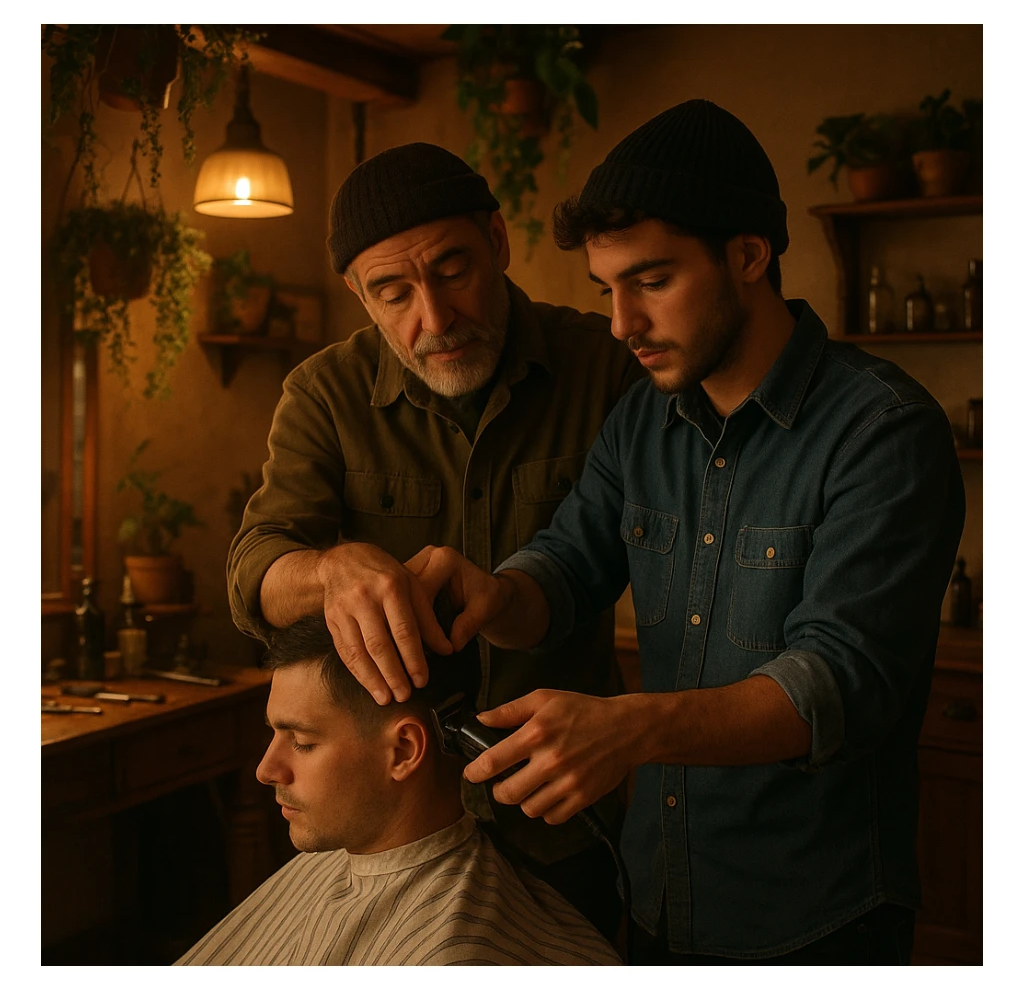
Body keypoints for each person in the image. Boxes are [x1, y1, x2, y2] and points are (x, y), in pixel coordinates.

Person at [400, 100, 967, 964]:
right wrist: (493, 594)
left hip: (817, 919)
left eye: (652, 280)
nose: (622, 323)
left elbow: (839, 682)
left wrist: (629, 728)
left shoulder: (883, 429)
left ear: (749, 255)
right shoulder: (643, 422)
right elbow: (563, 570)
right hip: (659, 897)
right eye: (607, 290)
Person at [226, 142, 645, 941]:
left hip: (563, 809)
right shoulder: (326, 394)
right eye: (394, 292)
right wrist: (328, 570)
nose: (435, 317)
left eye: (452, 271)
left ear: (497, 241)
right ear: (359, 294)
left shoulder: (605, 367)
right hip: (398, 823)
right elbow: (254, 571)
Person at [175, 614, 621, 966]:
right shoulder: (338, 857)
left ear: (404, 750)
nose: (265, 770)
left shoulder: (453, 959)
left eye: (302, 742)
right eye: (274, 734)